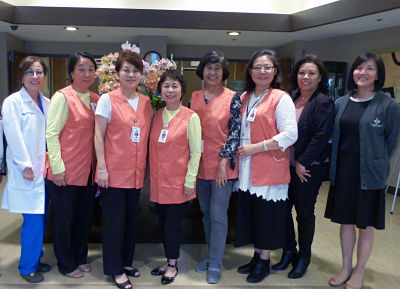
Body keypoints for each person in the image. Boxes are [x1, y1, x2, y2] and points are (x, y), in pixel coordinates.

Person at [325, 52, 400, 289]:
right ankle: (346, 266)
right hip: (344, 172)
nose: (363, 72)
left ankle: (359, 270)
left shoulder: (389, 105)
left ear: (378, 74)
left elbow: (390, 141)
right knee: (345, 222)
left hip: (370, 175)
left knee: (365, 225)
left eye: (369, 68)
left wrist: (375, 163)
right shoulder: (340, 103)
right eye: (359, 67)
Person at [235, 49, 297, 283]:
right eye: (257, 67)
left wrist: (257, 147)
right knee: (254, 215)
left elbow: (291, 134)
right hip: (247, 168)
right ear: (250, 72)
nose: (262, 71)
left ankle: (264, 261)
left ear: (275, 72)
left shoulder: (281, 98)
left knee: (268, 217)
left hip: (269, 167)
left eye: (267, 67)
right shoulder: (244, 97)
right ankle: (256, 256)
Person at [271, 54, 334, 278]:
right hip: (285, 166)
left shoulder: (323, 102)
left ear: (320, 78)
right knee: (283, 210)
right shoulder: (291, 99)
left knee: (304, 213)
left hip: (308, 169)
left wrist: (301, 162)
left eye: (311, 73)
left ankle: (304, 257)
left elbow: (321, 137)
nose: (305, 77)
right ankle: (289, 251)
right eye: (301, 72)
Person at [95, 50, 152, 289]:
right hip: (114, 174)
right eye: (126, 70)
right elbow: (98, 135)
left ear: (141, 75)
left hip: (136, 174)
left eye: (135, 71)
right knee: (114, 224)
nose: (130, 75)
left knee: (130, 222)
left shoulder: (147, 102)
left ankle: (126, 262)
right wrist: (102, 168)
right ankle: (115, 269)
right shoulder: (107, 99)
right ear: (117, 73)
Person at [46, 52, 99, 278]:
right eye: (81, 69)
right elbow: (51, 134)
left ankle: (80, 256)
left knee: (83, 219)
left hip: (87, 172)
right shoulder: (62, 97)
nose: (86, 74)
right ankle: (66, 263)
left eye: (90, 69)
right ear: (71, 72)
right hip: (65, 172)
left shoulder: (96, 99)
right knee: (63, 222)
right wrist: (57, 168)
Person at [190, 51, 241, 284]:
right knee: (206, 213)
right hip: (199, 166)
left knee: (219, 215)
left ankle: (215, 263)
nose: (212, 72)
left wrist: (223, 161)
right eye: (209, 68)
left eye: (217, 68)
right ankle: (212, 256)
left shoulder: (233, 97)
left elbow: (235, 133)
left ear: (223, 73)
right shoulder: (194, 96)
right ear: (202, 71)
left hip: (222, 168)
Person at [1, 56, 51, 283]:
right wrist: (26, 165)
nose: (35, 76)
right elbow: (14, 137)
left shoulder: (47, 102)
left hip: (45, 170)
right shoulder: (13, 102)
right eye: (30, 72)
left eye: (39, 72)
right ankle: (27, 267)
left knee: (40, 218)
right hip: (27, 172)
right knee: (33, 220)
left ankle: (36, 257)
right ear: (21, 75)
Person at [149, 69, 201, 285]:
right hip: (158, 182)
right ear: (160, 90)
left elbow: (196, 152)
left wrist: (190, 180)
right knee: (161, 223)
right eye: (166, 86)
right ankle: (167, 259)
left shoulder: (191, 117)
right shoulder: (157, 115)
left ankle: (172, 263)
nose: (170, 90)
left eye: (174, 86)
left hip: (178, 183)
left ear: (182, 90)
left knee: (172, 225)